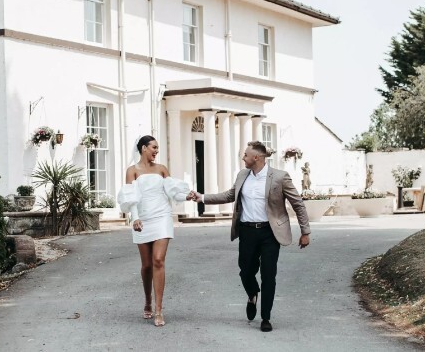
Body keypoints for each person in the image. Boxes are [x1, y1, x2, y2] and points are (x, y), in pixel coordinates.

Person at [189, 141, 310, 332]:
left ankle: (266, 317)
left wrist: (305, 231)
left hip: (270, 233)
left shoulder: (280, 177)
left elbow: (297, 203)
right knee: (245, 271)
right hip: (247, 231)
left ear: (257, 157)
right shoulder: (242, 175)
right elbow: (230, 195)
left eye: (246, 155)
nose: (243, 158)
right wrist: (202, 197)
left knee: (268, 274)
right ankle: (252, 293)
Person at [117, 135, 190, 327]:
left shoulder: (162, 169)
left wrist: (186, 196)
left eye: (157, 148)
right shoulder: (132, 171)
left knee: (158, 260)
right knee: (147, 265)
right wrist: (135, 218)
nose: (157, 151)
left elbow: (172, 191)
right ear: (143, 148)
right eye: (154, 147)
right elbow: (131, 195)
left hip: (162, 217)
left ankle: (158, 309)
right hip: (142, 218)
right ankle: (147, 299)